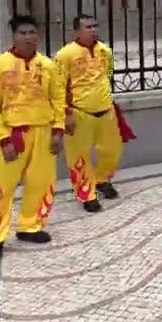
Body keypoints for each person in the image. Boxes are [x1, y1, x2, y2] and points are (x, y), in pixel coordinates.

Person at [0, 14, 66, 267]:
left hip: (44, 131)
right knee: (2, 189)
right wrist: (2, 139)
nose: (29, 37)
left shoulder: (48, 66)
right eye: (23, 33)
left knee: (41, 183)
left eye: (32, 32)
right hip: (12, 134)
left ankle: (30, 226)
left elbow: (58, 99)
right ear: (14, 36)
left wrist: (58, 130)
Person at [55, 14, 131, 212]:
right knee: (79, 156)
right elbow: (58, 86)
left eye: (95, 25)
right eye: (88, 26)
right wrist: (66, 113)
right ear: (77, 31)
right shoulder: (65, 55)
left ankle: (102, 179)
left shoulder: (104, 51)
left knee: (111, 150)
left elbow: (108, 74)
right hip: (80, 112)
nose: (93, 29)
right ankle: (85, 193)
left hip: (106, 110)